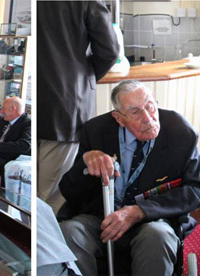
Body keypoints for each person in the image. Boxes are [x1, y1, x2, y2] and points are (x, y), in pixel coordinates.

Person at [58, 80, 200, 276]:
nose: (148, 118)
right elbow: (69, 191)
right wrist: (85, 163)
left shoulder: (180, 133)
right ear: (119, 118)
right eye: (135, 112)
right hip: (101, 216)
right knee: (69, 232)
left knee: (158, 236)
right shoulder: (95, 131)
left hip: (151, 219)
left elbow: (195, 191)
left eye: (150, 106)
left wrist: (139, 211)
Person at [37, 0, 120, 213]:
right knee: (50, 196)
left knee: (37, 192)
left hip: (43, 103)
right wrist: (81, 77)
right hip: (65, 105)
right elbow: (109, 51)